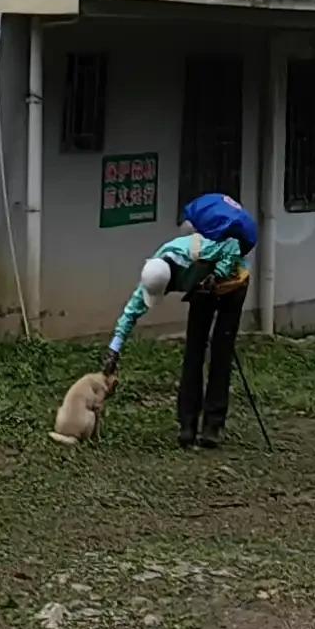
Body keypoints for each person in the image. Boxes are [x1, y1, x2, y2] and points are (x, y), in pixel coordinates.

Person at [102, 191, 256, 447]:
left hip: (232, 283)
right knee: (193, 350)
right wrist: (114, 349)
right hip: (202, 288)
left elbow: (233, 247)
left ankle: (212, 427)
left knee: (221, 351)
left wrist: (217, 276)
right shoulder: (154, 272)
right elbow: (131, 312)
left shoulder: (196, 252)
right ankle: (187, 425)